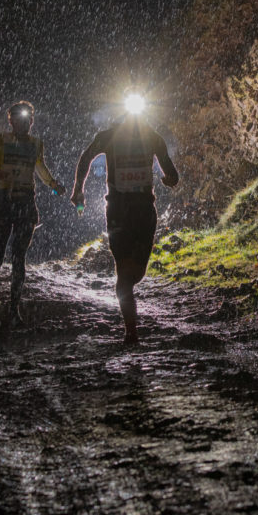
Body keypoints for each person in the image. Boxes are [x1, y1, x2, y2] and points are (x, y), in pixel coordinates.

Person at [71, 98, 179, 345]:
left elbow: (172, 173)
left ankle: (127, 294)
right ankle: (131, 332)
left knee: (136, 273)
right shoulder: (109, 136)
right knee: (124, 273)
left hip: (143, 210)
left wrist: (169, 180)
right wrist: (78, 190)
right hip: (119, 209)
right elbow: (86, 157)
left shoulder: (153, 138)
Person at [0, 100, 66, 321]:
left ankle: (14, 307)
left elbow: (40, 169)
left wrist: (54, 186)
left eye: (26, 120)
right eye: (17, 120)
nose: (22, 124)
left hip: (25, 202)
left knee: (18, 256)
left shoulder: (36, 144)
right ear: (10, 121)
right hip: (2, 202)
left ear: (31, 122)